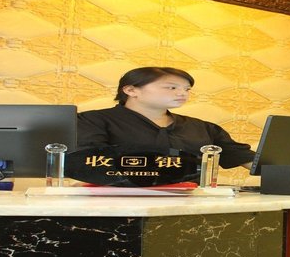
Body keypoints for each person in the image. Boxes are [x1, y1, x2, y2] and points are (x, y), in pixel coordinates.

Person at [77, 66, 255, 180]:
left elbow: (246, 159)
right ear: (131, 90)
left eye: (187, 89)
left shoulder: (203, 128)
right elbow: (88, 163)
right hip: (119, 206)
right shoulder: (92, 121)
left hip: (191, 206)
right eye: (172, 87)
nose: (182, 93)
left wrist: (271, 166)